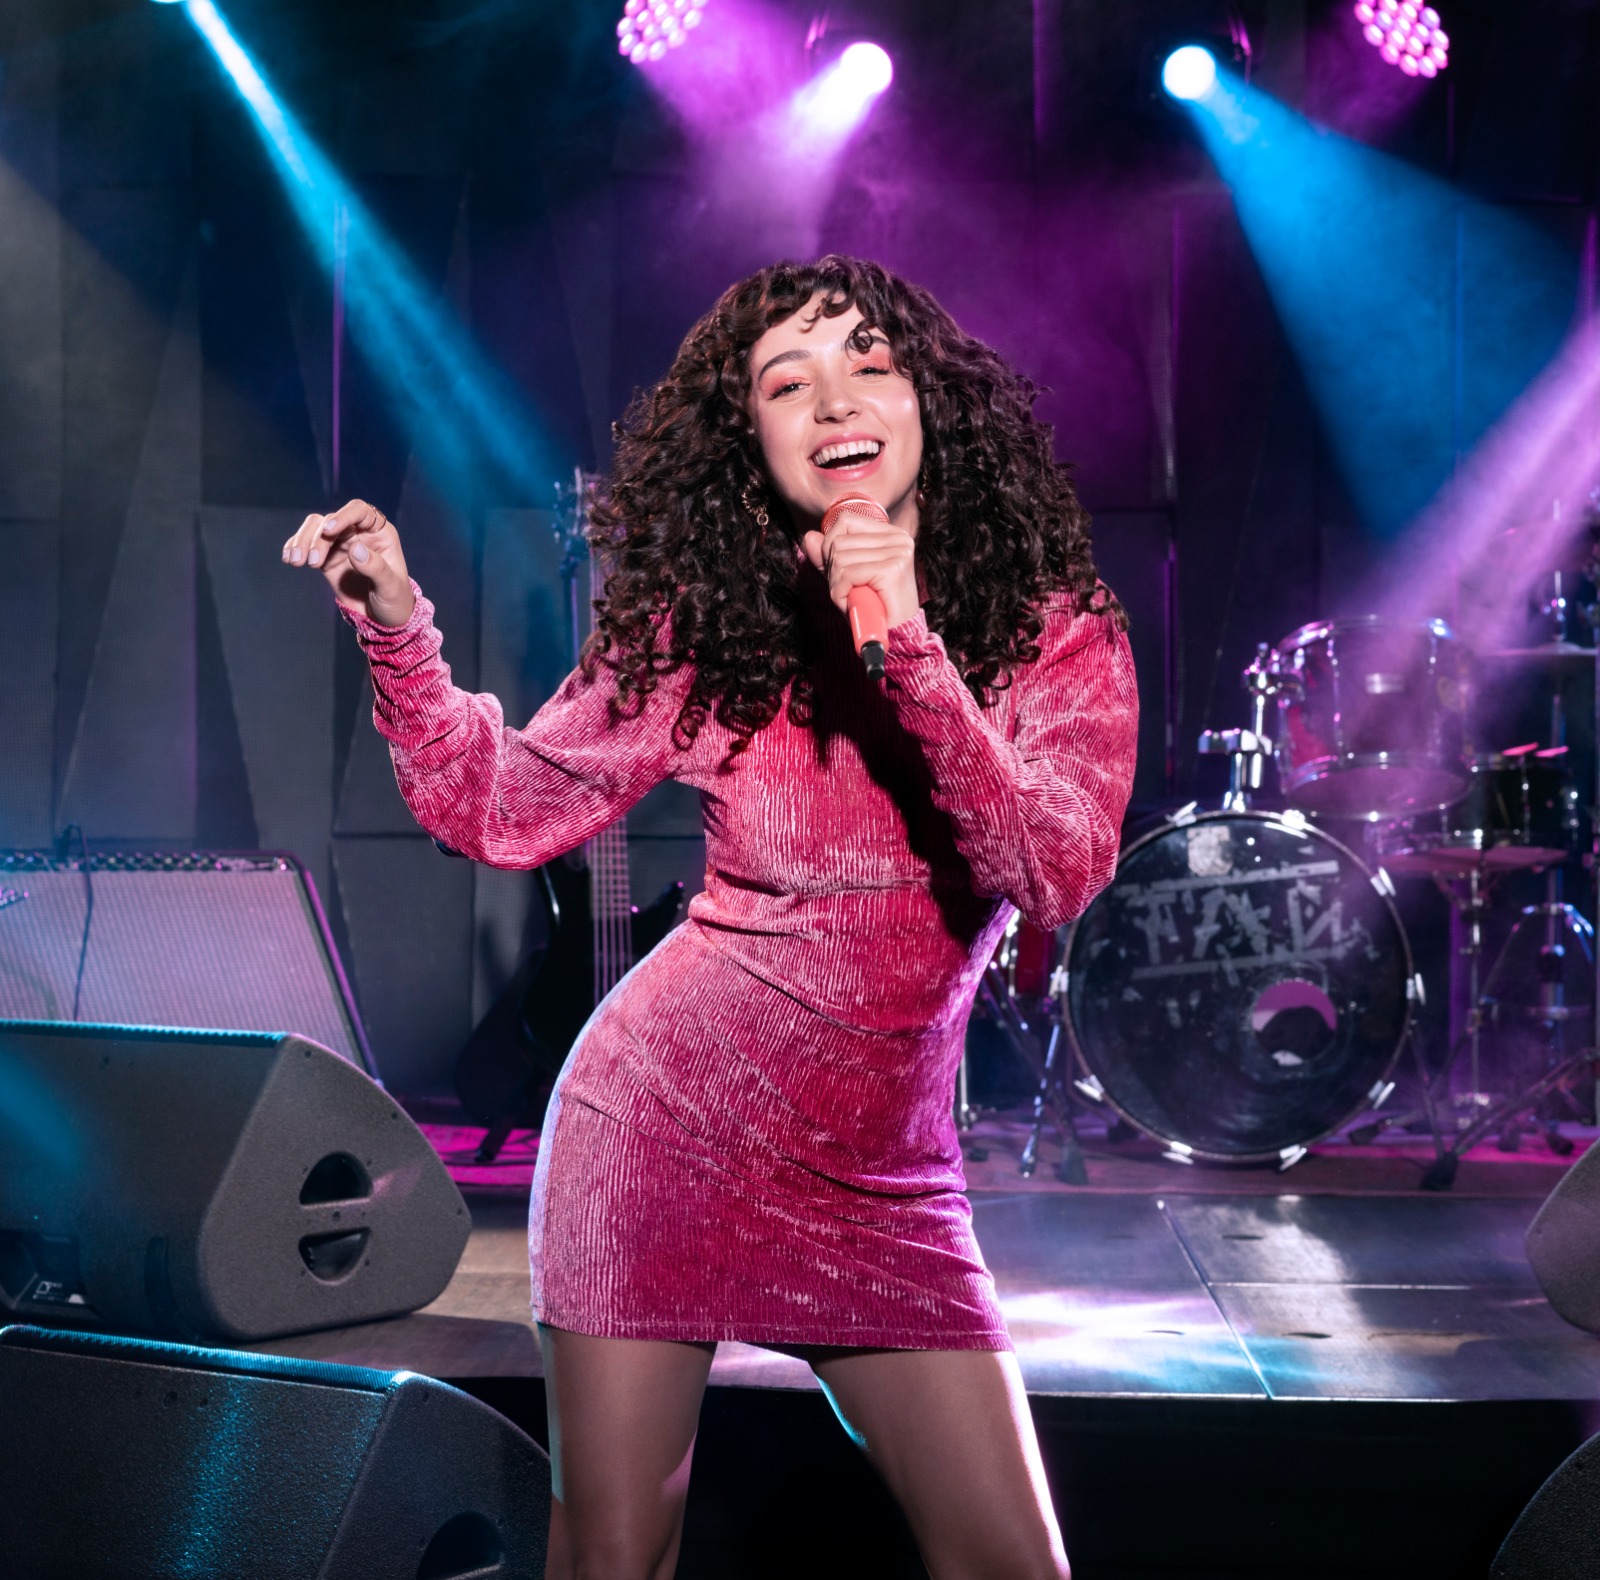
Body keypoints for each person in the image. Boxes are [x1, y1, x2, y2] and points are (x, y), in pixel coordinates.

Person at [283, 254, 1137, 1580]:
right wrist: (401, 632)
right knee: (616, 1557)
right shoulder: (711, 625)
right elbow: (509, 808)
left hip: (888, 1181)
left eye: (867, 365)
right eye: (787, 384)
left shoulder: (1057, 628)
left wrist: (908, 645)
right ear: (753, 440)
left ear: (931, 400)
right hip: (661, 1130)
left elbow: (1056, 869)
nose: (833, 401)